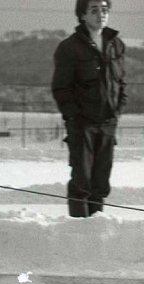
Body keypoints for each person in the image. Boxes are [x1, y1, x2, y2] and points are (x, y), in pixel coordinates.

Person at [52, 0, 127, 217]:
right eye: (94, 10)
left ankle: (96, 228)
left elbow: (122, 82)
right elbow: (61, 88)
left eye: (105, 10)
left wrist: (117, 111)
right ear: (82, 15)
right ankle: (78, 232)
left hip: (108, 123)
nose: (101, 14)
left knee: (100, 182)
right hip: (82, 125)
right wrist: (74, 118)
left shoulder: (117, 45)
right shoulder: (69, 47)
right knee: (81, 180)